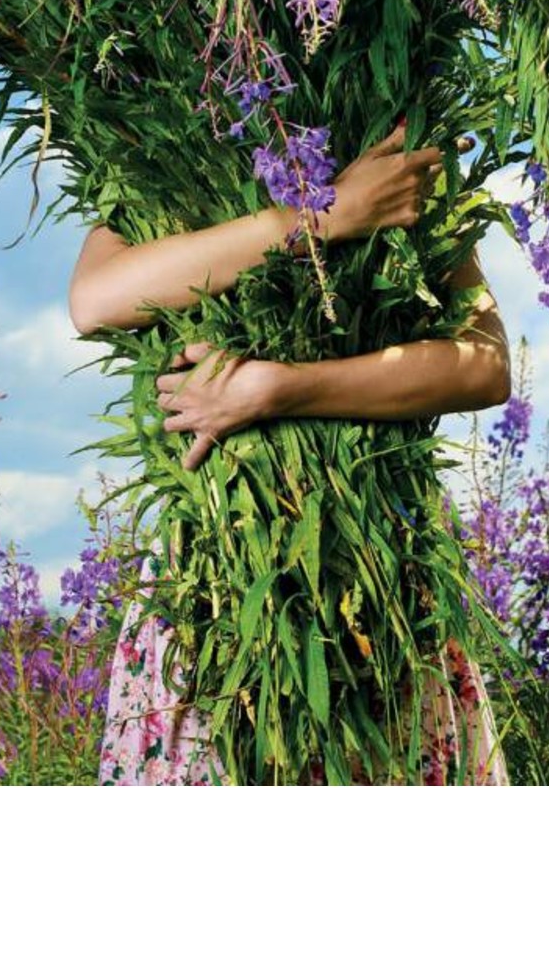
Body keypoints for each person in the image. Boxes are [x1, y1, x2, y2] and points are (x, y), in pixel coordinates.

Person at [68, 120, 512, 785]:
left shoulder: (394, 135)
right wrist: (325, 216)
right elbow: (96, 301)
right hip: (215, 586)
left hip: (386, 572)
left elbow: (484, 367)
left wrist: (281, 390)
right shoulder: (155, 152)